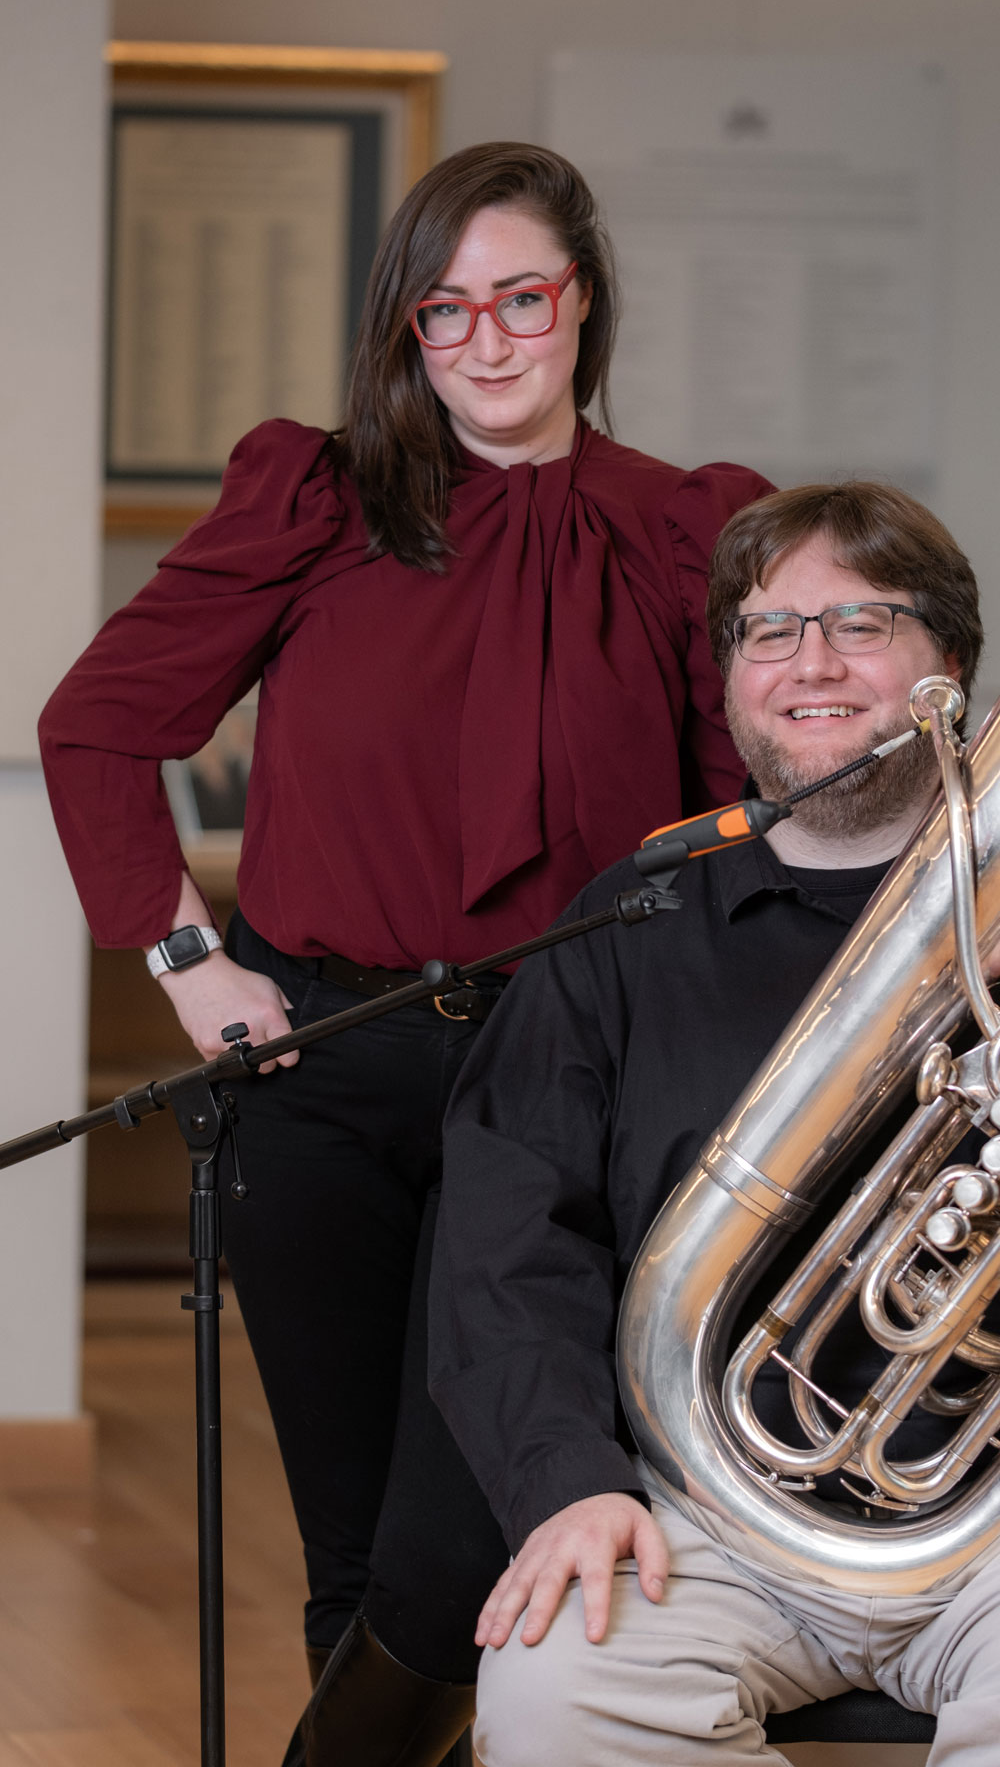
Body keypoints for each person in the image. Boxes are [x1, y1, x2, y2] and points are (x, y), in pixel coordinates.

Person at [37, 142, 772, 1766]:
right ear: (405, 330)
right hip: (320, 1064)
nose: (489, 343)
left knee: (462, 1559)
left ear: (584, 304)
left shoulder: (681, 533)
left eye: (523, 299)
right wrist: (182, 960)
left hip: (567, 1089)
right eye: (446, 312)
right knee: (358, 1555)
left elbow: (740, 832)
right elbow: (97, 727)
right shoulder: (317, 498)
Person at [430, 480, 1000, 1767]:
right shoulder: (638, 920)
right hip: (712, 1495)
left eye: (862, 625)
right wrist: (567, 1481)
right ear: (730, 683)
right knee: (554, 1699)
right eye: (770, 632)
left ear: (954, 667)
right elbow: (505, 1233)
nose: (810, 664)